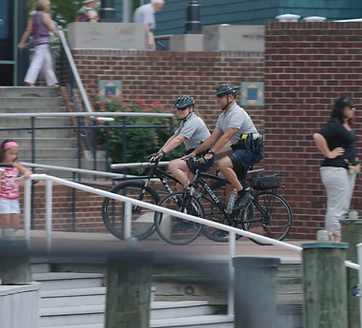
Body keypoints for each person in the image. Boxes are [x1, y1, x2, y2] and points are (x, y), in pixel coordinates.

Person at [183, 84, 264, 211]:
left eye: (220, 96)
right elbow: (213, 138)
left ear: (230, 97)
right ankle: (229, 216)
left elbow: (226, 136)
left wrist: (211, 153)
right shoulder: (223, 117)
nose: (217, 99)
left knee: (222, 164)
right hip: (239, 150)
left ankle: (244, 194)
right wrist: (195, 152)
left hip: (251, 150)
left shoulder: (237, 113)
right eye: (217, 96)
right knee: (229, 184)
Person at [313, 96, 358, 242]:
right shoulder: (335, 124)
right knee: (336, 206)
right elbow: (318, 136)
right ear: (341, 109)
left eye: (353, 107)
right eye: (349, 107)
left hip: (346, 169)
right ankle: (335, 239)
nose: (353, 110)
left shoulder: (345, 124)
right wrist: (328, 153)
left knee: (343, 206)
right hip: (335, 169)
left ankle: (337, 236)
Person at [150, 95, 214, 190]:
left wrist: (163, 153)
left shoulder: (193, 121)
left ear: (191, 108)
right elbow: (173, 137)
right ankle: (192, 203)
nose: (180, 111)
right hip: (194, 155)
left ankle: (191, 191)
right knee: (180, 186)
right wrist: (159, 153)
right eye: (178, 108)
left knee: (173, 165)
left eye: (183, 108)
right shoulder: (185, 121)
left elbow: (179, 139)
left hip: (203, 156)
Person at [18, 0, 59, 87]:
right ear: (45, 7)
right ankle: (29, 80)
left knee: (47, 62)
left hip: (36, 41)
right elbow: (51, 27)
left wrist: (22, 42)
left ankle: (52, 82)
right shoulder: (45, 15)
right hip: (44, 41)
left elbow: (28, 30)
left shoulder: (32, 17)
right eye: (48, 6)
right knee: (38, 61)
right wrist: (58, 33)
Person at [0, 140, 32, 237]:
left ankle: (9, 239)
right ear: (4, 153)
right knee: (6, 224)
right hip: (3, 197)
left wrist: (27, 173)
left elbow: (27, 171)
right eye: (10, 153)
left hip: (14, 198)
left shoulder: (15, 165)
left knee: (15, 225)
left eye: (15, 154)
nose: (13, 156)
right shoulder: (1, 167)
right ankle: (6, 244)